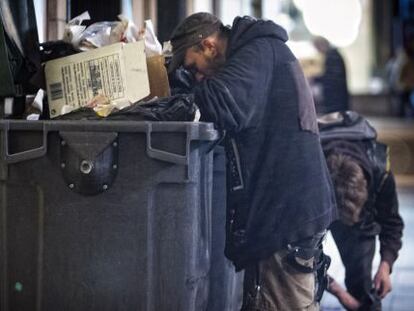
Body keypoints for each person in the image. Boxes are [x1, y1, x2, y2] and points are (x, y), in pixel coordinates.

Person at [169, 12, 337, 310]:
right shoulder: (259, 51)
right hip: (284, 212)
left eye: (192, 67)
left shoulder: (258, 51)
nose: (197, 76)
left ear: (209, 45)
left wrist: (180, 88)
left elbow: (223, 103)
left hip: (286, 214)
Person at [318, 111, 404, 311]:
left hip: (359, 221)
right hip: (319, 202)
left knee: (362, 289)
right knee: (298, 274)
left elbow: (391, 222)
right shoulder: (308, 172)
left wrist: (386, 264)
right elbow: (290, 248)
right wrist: (337, 290)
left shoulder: (380, 171)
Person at [311, 36, 350, 115]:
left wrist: (316, 79)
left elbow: (331, 77)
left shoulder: (332, 56)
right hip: (336, 98)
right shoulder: (333, 55)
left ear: (321, 45)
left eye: (317, 48)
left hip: (336, 99)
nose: (318, 52)